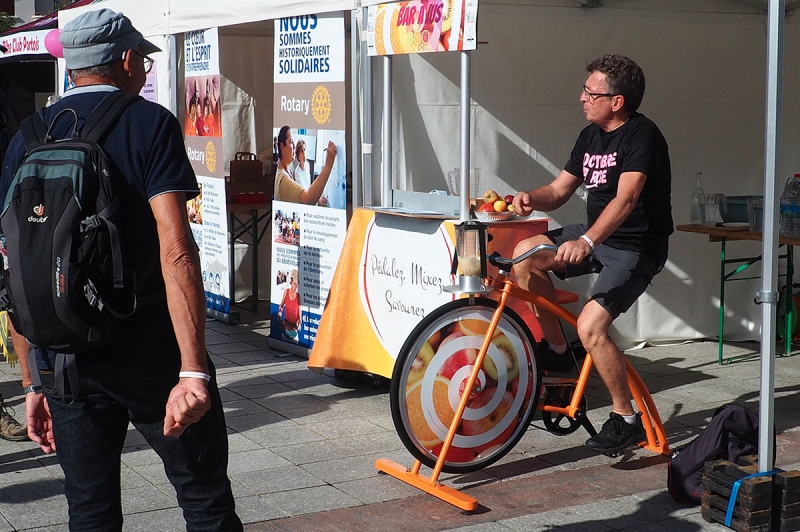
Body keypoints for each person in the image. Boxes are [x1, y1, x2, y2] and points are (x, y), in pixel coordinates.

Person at [1, 9, 242, 530]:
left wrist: (31, 383)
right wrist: (194, 368)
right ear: (127, 60)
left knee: (89, 510)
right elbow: (176, 248)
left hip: (62, 358)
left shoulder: (27, 137)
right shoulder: (148, 123)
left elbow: (17, 264)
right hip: (149, 349)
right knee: (203, 497)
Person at [511, 54, 673, 456]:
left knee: (591, 326)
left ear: (616, 101)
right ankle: (559, 353)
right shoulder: (590, 136)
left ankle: (626, 419)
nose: (581, 97)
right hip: (598, 234)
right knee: (523, 255)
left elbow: (627, 197)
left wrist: (588, 242)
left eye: (591, 92)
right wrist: (532, 198)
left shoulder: (642, 135)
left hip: (636, 245)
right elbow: (560, 189)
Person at [274, 125, 337, 205]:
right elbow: (308, 200)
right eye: (291, 142)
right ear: (282, 147)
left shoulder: (287, 170)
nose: (294, 146)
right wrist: (328, 164)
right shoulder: (283, 179)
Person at [278, 269, 301, 339]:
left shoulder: (298, 296)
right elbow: (281, 304)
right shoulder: (286, 291)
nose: (296, 286)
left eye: (297, 284)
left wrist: (299, 322)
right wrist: (280, 313)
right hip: (286, 327)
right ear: (291, 281)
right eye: (295, 283)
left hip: (294, 329)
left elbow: (300, 313)